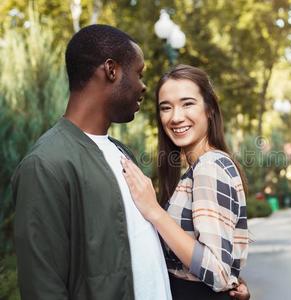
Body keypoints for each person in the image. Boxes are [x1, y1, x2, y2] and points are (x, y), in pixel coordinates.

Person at [12, 25, 249, 300]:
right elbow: (43, 286)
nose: (143, 86)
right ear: (111, 70)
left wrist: (227, 282)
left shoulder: (122, 154)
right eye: (139, 73)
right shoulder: (46, 164)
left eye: (187, 104)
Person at [120, 65, 249, 300]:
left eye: (187, 103)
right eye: (166, 108)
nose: (176, 117)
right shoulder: (200, 168)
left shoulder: (209, 167)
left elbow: (217, 272)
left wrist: (154, 212)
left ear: (209, 108)